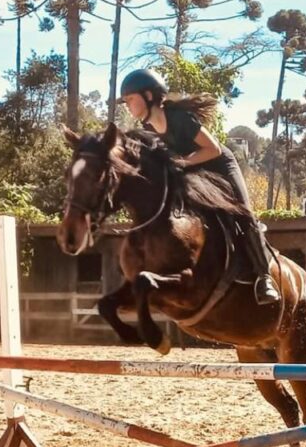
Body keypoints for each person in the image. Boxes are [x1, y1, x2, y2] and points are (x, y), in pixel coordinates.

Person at [119, 68, 280, 305]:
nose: (128, 105)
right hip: (195, 172)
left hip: (221, 166)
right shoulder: (149, 131)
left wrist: (182, 162)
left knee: (244, 214)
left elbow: (213, 148)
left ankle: (264, 278)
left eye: (130, 99)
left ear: (149, 96)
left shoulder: (179, 119)